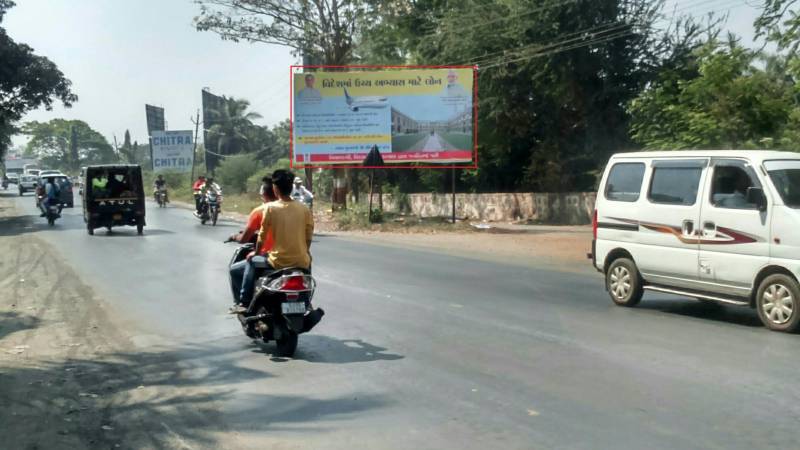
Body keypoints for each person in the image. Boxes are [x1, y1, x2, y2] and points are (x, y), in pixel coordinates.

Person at [229, 170, 314, 314]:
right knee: (307, 263)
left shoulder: (270, 208)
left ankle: (243, 302)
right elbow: (308, 235)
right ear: (292, 187)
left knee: (250, 261)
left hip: (277, 261)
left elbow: (262, 234)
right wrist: (305, 251)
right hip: (301, 260)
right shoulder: (304, 209)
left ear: (275, 189)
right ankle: (306, 300)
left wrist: (256, 253)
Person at [228, 177, 278, 309]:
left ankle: (244, 302)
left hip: (273, 257)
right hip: (297, 257)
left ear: (263, 194)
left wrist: (235, 237)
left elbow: (245, 238)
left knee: (237, 268)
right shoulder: (294, 209)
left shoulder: (262, 211)